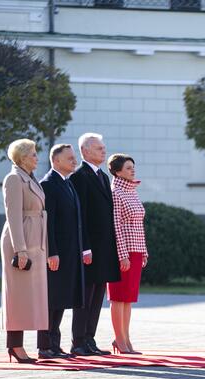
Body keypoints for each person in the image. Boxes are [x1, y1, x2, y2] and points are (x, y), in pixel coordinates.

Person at [68, 133, 120, 356]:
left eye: (103, 147)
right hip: (89, 248)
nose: (103, 151)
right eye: (99, 148)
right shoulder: (80, 176)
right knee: (85, 296)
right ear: (86, 151)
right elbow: (81, 217)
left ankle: (90, 338)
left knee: (98, 295)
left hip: (104, 247)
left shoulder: (101, 175)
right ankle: (78, 341)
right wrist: (85, 247)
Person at [0, 138, 49, 363]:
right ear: (21, 157)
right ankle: (15, 346)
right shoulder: (13, 179)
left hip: (34, 239)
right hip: (21, 240)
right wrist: (20, 250)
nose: (37, 158)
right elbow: (13, 216)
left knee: (29, 295)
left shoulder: (29, 178)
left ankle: (20, 345)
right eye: (33, 154)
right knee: (17, 295)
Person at [37, 144, 86, 359]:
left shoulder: (67, 183)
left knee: (61, 299)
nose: (74, 161)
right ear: (56, 161)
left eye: (74, 158)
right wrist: (51, 252)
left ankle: (55, 345)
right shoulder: (49, 184)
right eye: (70, 158)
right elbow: (49, 223)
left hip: (70, 252)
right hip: (57, 253)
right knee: (52, 299)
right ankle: (45, 346)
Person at [106, 153, 148, 354]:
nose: (133, 170)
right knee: (118, 297)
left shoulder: (132, 191)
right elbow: (116, 226)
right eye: (128, 167)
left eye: (133, 166)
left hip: (136, 249)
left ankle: (126, 339)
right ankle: (119, 340)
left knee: (128, 298)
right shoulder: (115, 193)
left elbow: (138, 224)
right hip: (122, 252)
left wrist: (144, 251)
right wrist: (122, 254)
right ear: (117, 171)